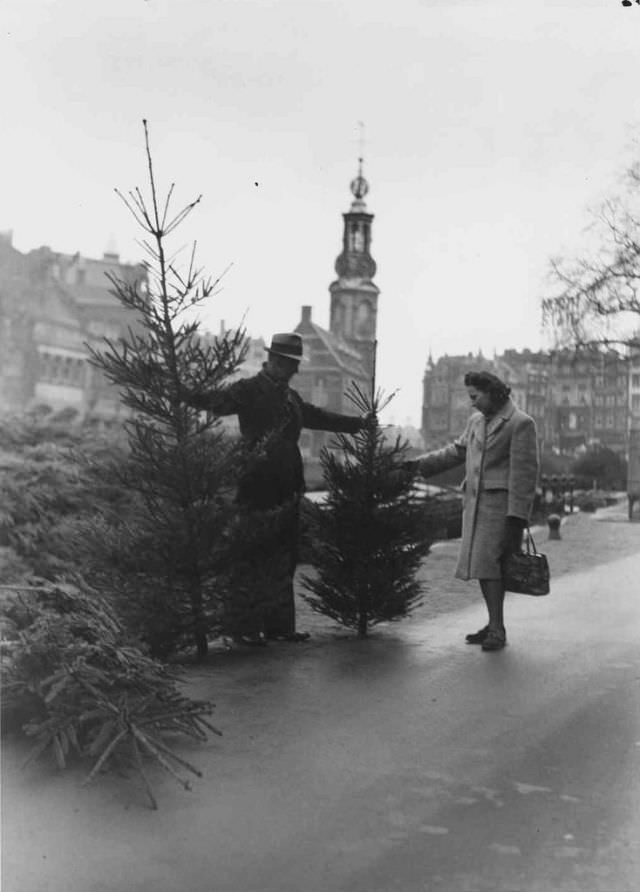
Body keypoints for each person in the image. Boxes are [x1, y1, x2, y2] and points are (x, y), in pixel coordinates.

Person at [180, 332, 370, 643]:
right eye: (290, 364)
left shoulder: (291, 397)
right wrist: (181, 391)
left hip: (288, 483)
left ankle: (280, 627)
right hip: (258, 481)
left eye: (295, 365)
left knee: (285, 553)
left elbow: (318, 417)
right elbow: (216, 401)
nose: (294, 370)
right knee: (254, 553)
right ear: (275, 362)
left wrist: (358, 424)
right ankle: (244, 628)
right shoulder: (249, 390)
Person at [404, 371, 539, 651]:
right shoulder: (477, 421)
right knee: (482, 566)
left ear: (492, 393)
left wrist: (517, 520)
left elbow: (524, 476)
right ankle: (493, 624)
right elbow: (456, 452)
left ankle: (497, 630)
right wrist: (416, 466)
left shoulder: (520, 424)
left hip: (500, 509)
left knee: (490, 565)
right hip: (475, 504)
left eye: (475, 397)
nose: (472, 403)